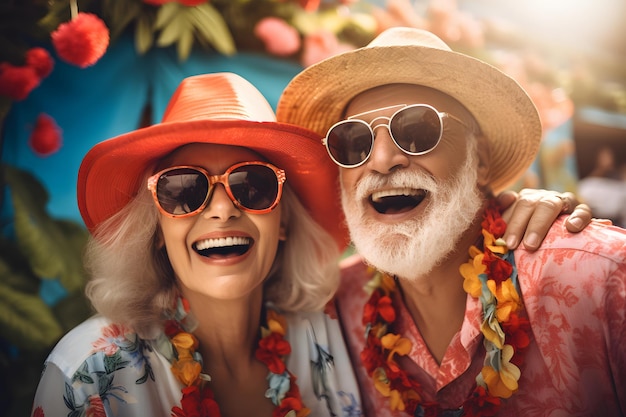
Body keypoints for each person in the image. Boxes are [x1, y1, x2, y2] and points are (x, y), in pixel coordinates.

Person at [276, 27, 625, 416]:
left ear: (480, 161)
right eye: (355, 142)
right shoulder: (334, 305)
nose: (381, 160)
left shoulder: (600, 275)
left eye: (416, 131)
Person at [31, 73, 364, 417]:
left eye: (251, 184)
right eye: (184, 190)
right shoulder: (88, 375)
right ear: (156, 230)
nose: (222, 210)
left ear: (284, 221)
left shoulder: (329, 335)